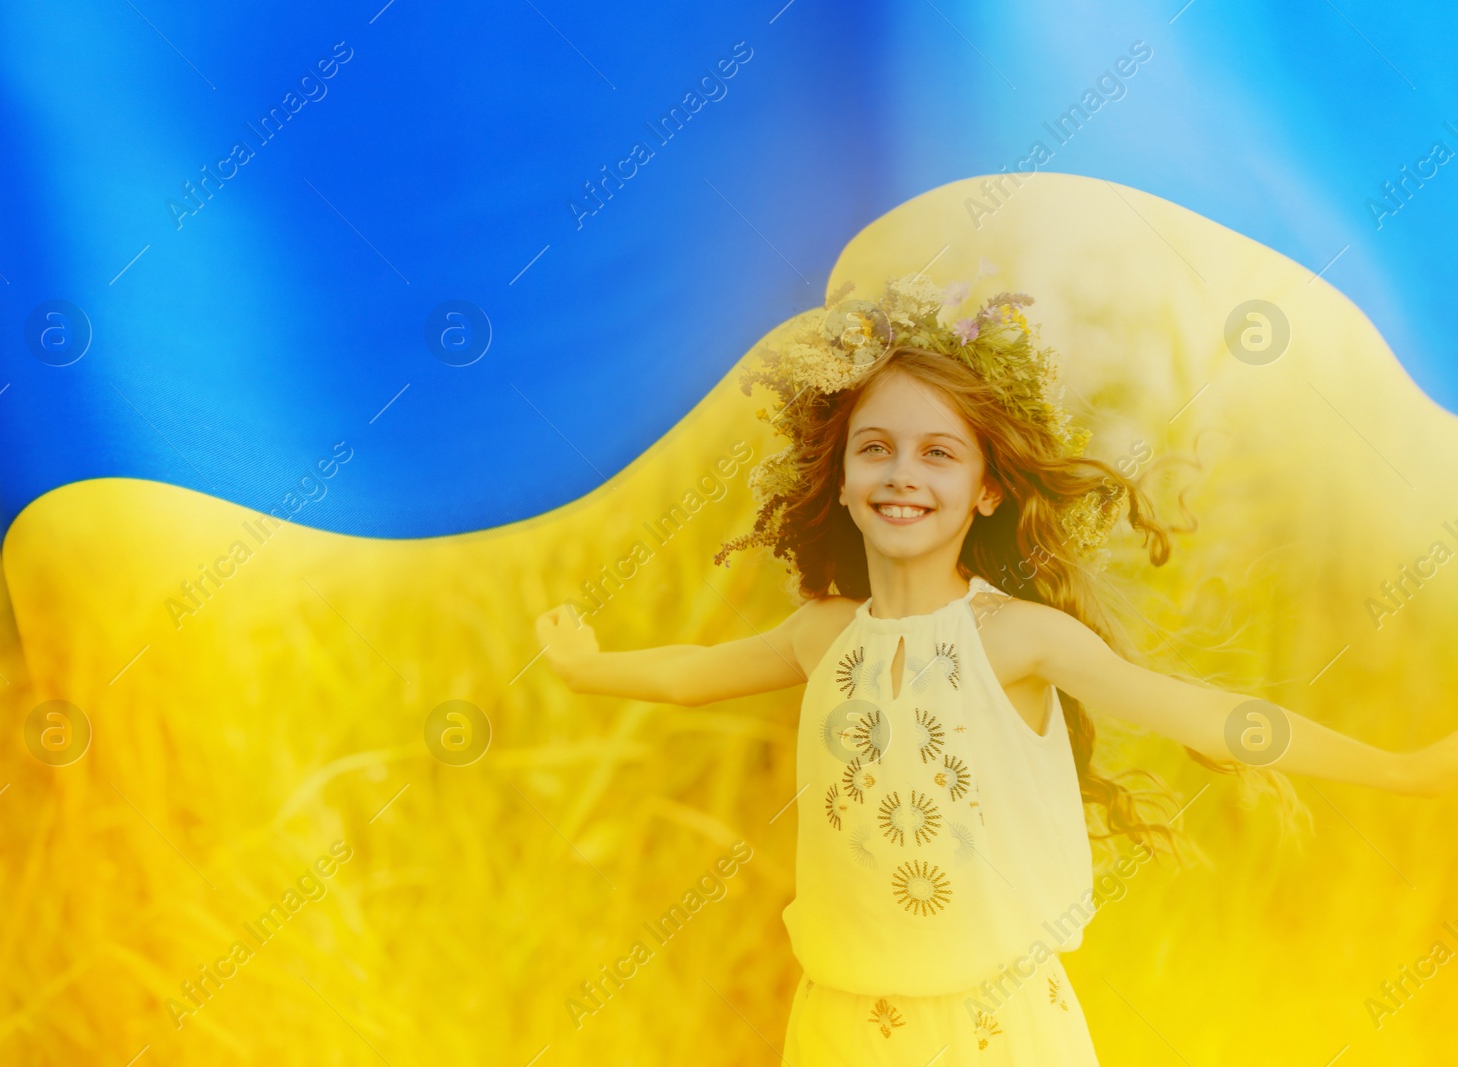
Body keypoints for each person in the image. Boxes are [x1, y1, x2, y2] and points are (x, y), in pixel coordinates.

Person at [533, 271, 1458, 1064]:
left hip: (995, 1027)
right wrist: (587, 667)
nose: (903, 474)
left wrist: (1401, 769)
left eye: (939, 454)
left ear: (985, 488)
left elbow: (1201, 714)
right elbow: (693, 672)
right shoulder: (823, 635)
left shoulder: (1018, 639)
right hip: (848, 1021)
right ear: (842, 479)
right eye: (876, 449)